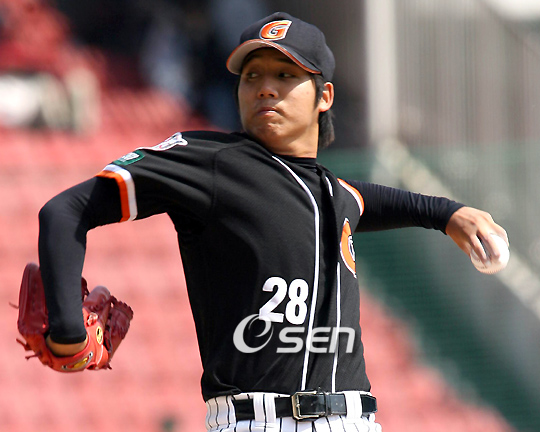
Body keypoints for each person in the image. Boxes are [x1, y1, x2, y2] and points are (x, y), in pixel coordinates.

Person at [38, 12, 508, 432]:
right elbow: (64, 210)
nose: (265, 87)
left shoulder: (333, 193)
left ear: (324, 96)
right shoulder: (212, 162)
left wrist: (447, 213)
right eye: (252, 76)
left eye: (285, 75)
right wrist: (67, 330)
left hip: (355, 421)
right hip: (255, 421)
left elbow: (369, 199)